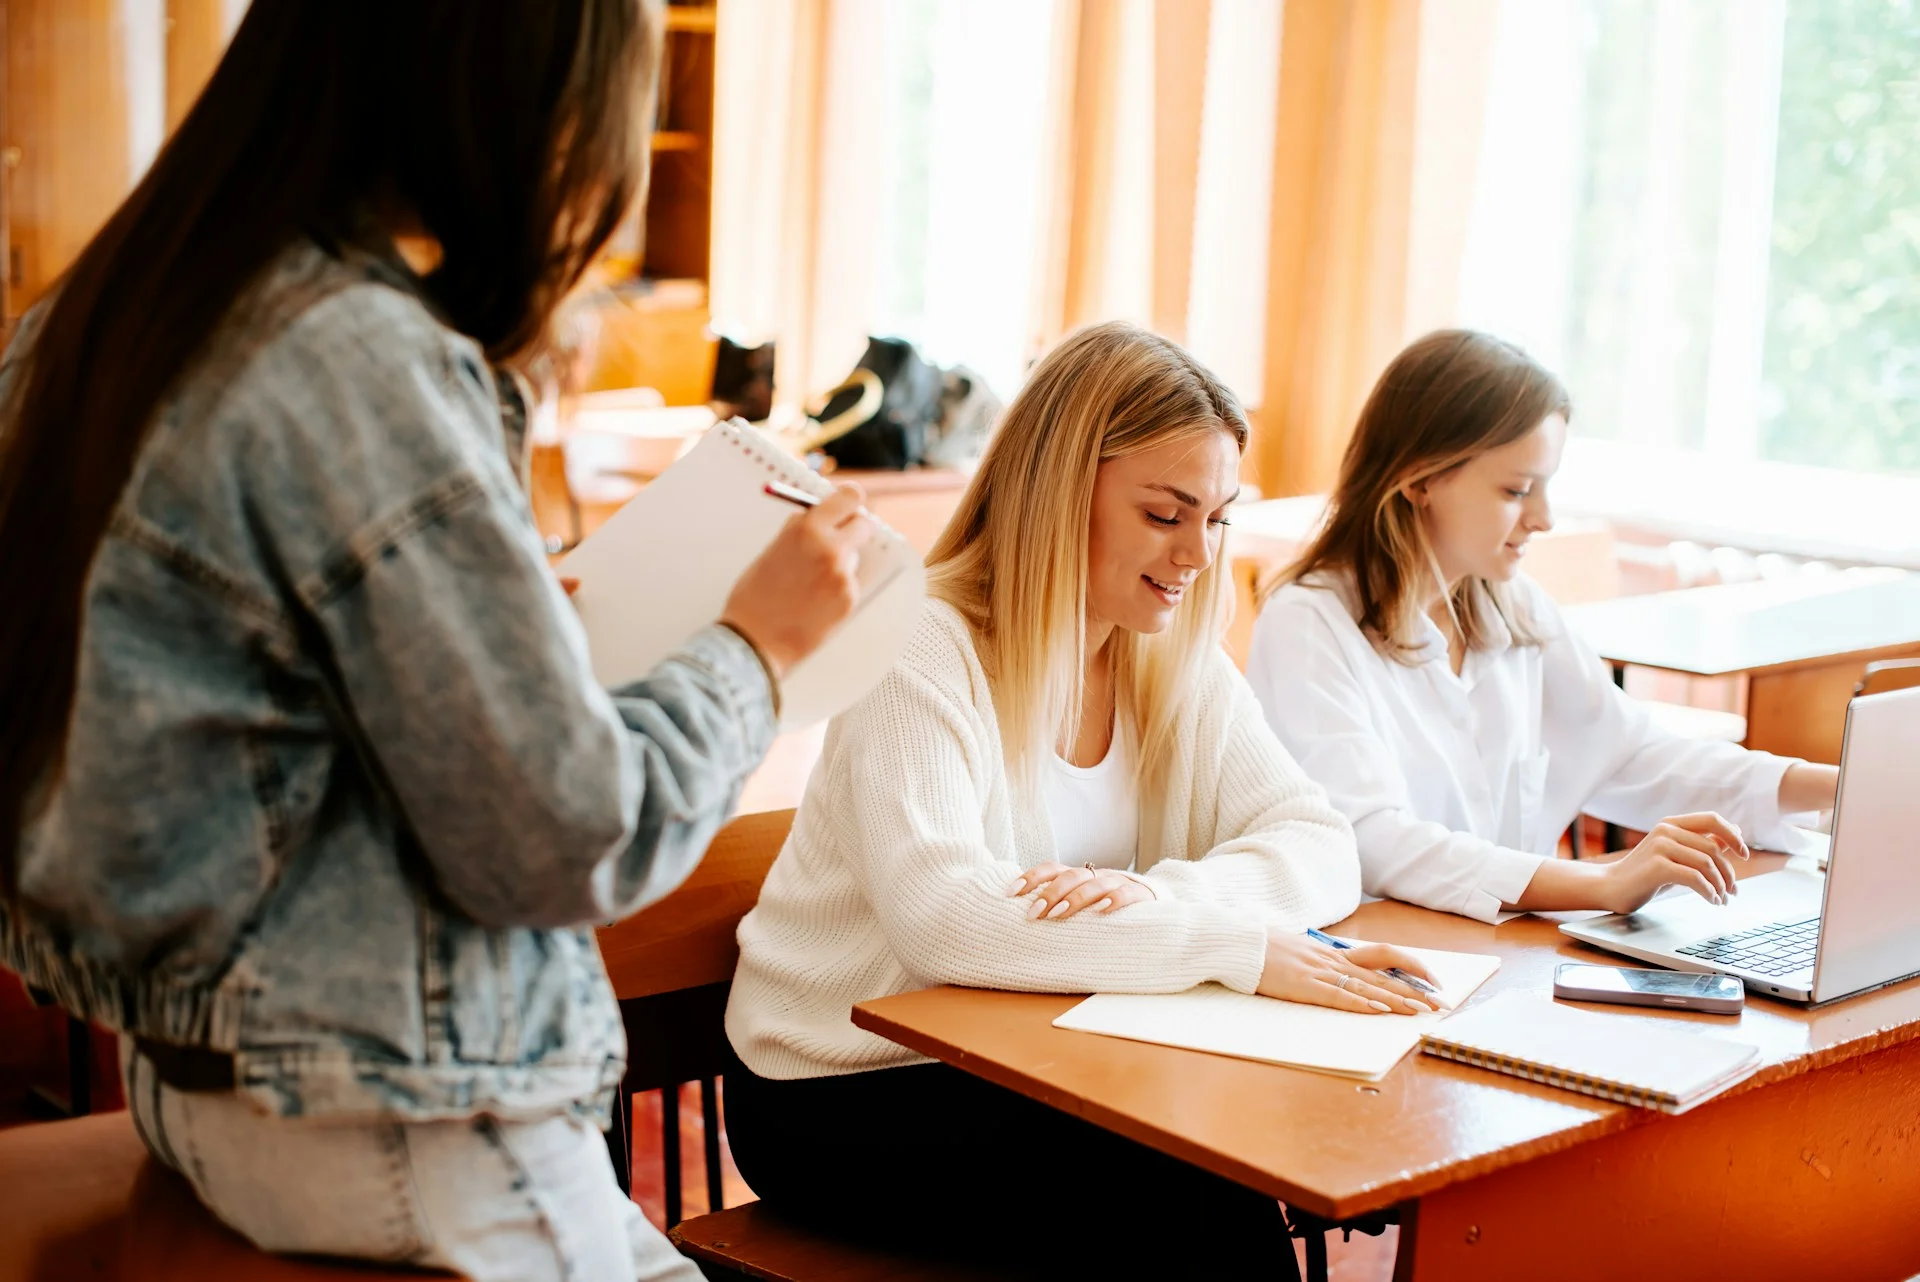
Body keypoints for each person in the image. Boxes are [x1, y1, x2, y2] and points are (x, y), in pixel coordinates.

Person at [0, 3, 871, 1279]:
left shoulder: (95, 320)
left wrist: (499, 614)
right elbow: (572, 834)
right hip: (393, 1110)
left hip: (200, 1081)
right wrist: (756, 644)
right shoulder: (358, 354)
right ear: (510, 112)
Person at [722, 321, 1438, 1278]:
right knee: (1183, 1174)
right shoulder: (920, 645)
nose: (1195, 554)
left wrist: (1160, 900)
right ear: (1060, 491)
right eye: (1164, 513)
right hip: (845, 1080)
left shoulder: (1165, 646)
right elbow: (947, 923)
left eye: (1216, 519)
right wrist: (1237, 946)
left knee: (1209, 1151)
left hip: (1048, 1048)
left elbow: (1317, 842)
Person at [1245, 329, 1838, 925]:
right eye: (1517, 489)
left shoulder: (1513, 606)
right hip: (1392, 963)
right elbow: (1371, 839)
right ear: (1420, 478)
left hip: (1511, 960)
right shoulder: (1309, 624)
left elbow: (1630, 754)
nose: (1545, 518)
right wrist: (1602, 881)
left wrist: (1832, 785)